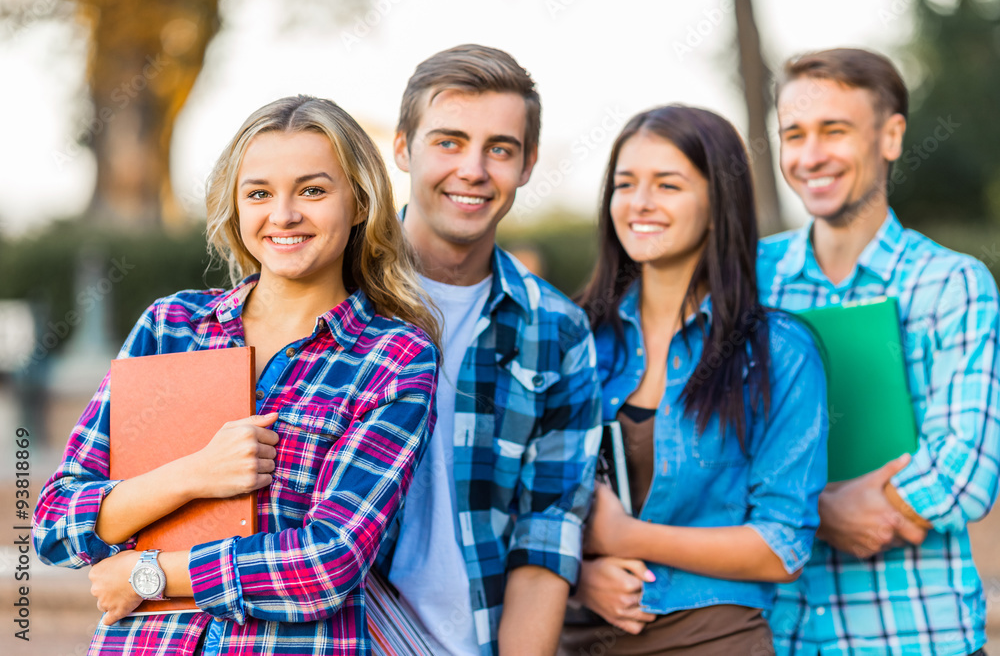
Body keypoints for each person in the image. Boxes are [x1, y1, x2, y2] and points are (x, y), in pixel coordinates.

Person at [32, 95, 440, 655]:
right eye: (259, 193)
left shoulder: (393, 358)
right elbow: (56, 524)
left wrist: (148, 575)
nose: (284, 214)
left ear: (361, 203)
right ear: (236, 206)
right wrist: (196, 474)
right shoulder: (171, 327)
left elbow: (327, 563)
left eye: (313, 190)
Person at [561, 105, 829, 655]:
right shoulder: (572, 336)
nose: (640, 203)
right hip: (578, 633)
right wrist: (582, 575)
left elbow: (782, 545)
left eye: (668, 185)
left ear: (717, 203)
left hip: (713, 636)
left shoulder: (778, 353)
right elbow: (517, 501)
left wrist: (626, 538)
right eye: (625, 184)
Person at [760, 48, 1000, 656]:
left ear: (891, 136)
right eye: (794, 134)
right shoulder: (750, 280)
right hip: (776, 636)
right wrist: (823, 510)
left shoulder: (953, 283)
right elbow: (712, 450)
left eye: (833, 130)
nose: (810, 155)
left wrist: (808, 512)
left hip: (916, 634)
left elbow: (966, 470)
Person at [375, 44, 602, 655]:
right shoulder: (333, 295)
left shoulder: (556, 330)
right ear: (403, 147)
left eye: (500, 149)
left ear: (527, 165)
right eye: (448, 142)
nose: (473, 169)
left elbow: (546, 531)